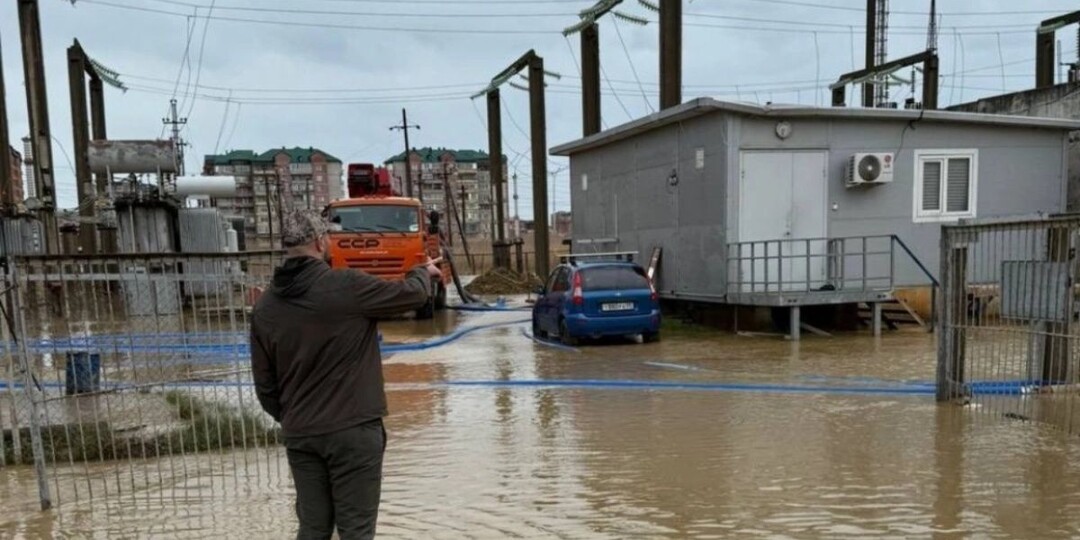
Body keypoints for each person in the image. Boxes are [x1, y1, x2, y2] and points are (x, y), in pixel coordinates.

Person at [250, 209, 441, 539]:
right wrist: (421, 272)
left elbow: (265, 387)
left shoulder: (265, 308)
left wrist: (296, 416)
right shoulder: (346, 285)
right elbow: (413, 294)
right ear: (321, 243)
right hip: (353, 432)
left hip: (301, 434)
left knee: (313, 529)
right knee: (356, 531)